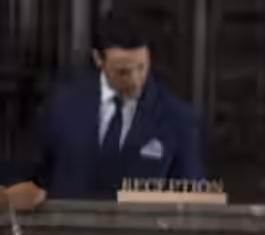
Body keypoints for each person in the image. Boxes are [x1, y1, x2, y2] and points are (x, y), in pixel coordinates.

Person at [9, 12, 204, 203]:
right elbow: (29, 178)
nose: (135, 81)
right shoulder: (61, 106)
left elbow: (193, 199)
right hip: (65, 222)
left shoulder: (177, 118)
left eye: (141, 67)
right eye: (123, 72)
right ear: (98, 60)